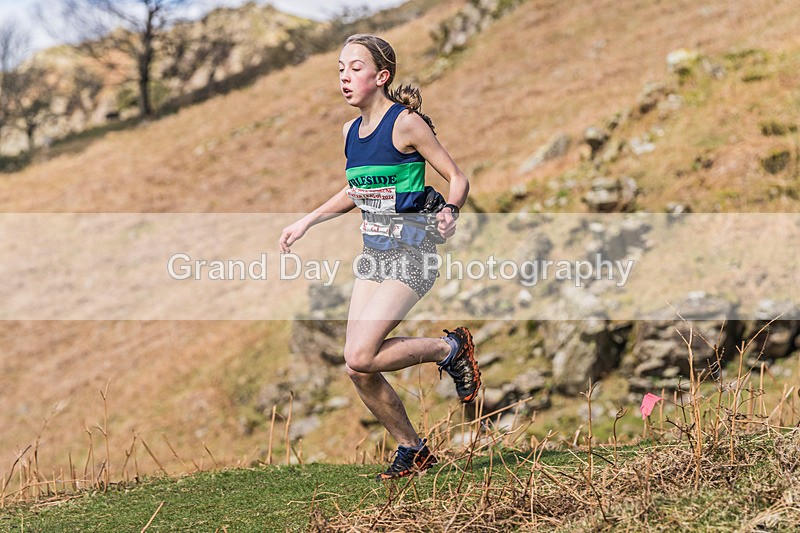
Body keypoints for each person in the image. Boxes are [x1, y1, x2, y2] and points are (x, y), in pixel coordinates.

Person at [278, 34, 480, 481]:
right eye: (340, 69)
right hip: (374, 257)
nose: (344, 77)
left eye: (354, 68)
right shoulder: (350, 132)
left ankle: (451, 348)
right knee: (357, 367)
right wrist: (306, 221)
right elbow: (356, 190)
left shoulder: (406, 124)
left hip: (413, 253)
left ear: (381, 77)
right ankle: (413, 449)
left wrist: (450, 209)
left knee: (363, 354)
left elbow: (457, 177)